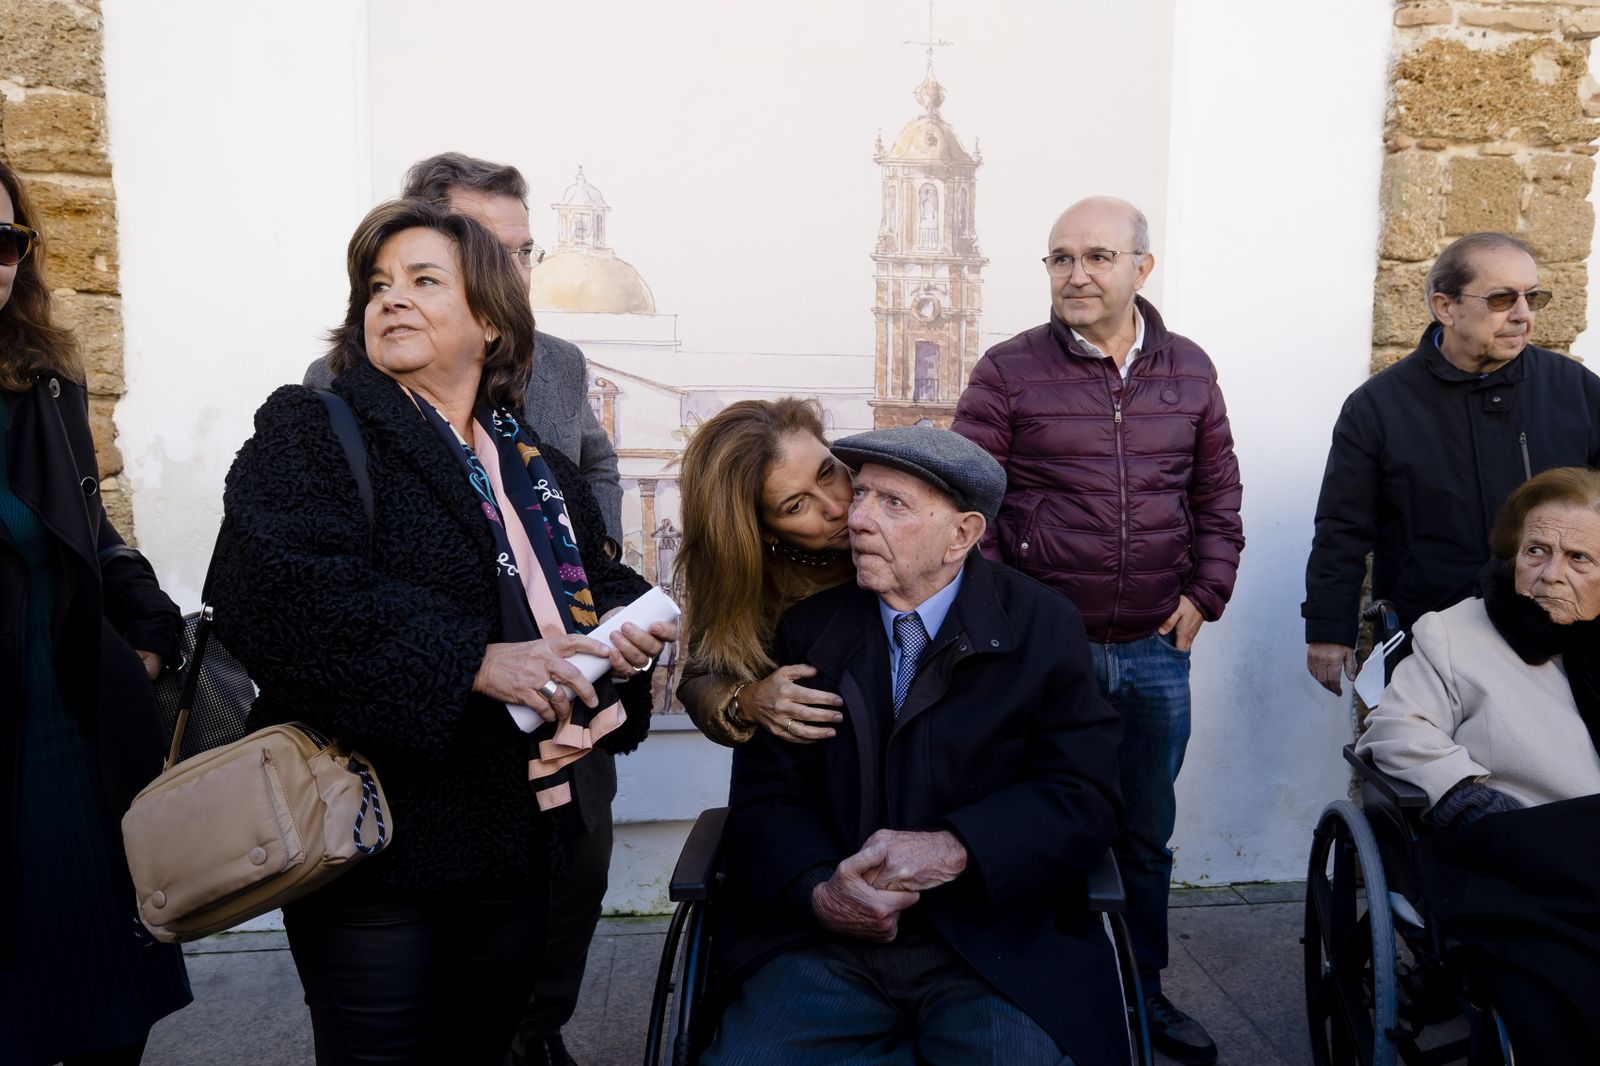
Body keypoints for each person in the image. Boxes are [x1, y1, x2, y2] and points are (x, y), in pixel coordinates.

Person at [211, 198, 675, 1066]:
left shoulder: (537, 465)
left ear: (491, 323)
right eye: (377, 284)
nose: (391, 298)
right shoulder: (312, 428)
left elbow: (591, 586)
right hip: (376, 846)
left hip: (516, 841)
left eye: (424, 281)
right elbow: (271, 594)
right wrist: (470, 661)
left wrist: (625, 633)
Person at [304, 152, 622, 1066]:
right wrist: (468, 657)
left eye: (523, 251)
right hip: (421, 764)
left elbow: (591, 466)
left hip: (558, 728)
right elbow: (311, 588)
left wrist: (596, 572)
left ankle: (538, 1037)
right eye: (489, 247)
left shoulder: (558, 366)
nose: (513, 267)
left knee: (559, 915)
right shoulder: (332, 395)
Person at [704, 426, 1127, 1066]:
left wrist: (958, 847)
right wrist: (819, 891)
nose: (857, 519)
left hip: (993, 942)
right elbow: (767, 799)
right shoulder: (808, 631)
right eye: (862, 493)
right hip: (825, 944)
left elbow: (1085, 794)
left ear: (962, 534)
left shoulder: (1042, 626)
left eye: (893, 504)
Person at [953, 195, 1243, 1065]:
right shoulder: (1008, 371)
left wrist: (1206, 594)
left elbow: (1217, 496)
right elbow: (969, 505)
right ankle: (1038, 988)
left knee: (1143, 837)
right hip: (1047, 656)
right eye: (1060, 258)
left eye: (1097, 257)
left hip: (1155, 651)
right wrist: (1010, 621)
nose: (1076, 274)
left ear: (1140, 268)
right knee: (1036, 827)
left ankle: (1140, 993)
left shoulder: (1190, 369)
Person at [0, 160, 191, 1064]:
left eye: (5, 241)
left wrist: (148, 629)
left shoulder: (44, 380)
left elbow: (89, 526)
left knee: (110, 1011)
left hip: (72, 739)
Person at [1355, 467, 1600, 1060]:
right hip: (1524, 852)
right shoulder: (1454, 633)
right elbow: (1395, 729)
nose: (1550, 574)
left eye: (1579, 558)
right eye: (1536, 550)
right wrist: (1465, 794)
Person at [1304, 231, 1600, 696]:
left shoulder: (1576, 390)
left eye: (1533, 297)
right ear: (1445, 307)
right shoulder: (1378, 407)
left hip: (1561, 644)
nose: (1523, 314)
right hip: (1430, 639)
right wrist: (1328, 627)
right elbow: (1342, 527)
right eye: (1502, 299)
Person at [675, 398, 852, 747]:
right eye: (796, 505)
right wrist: (748, 700)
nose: (835, 507)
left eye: (827, 472)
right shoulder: (754, 583)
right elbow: (700, 679)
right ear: (764, 531)